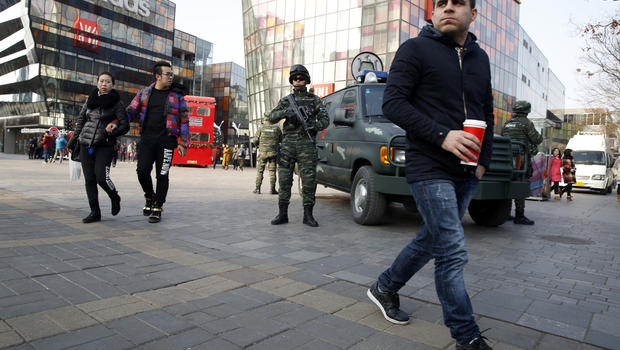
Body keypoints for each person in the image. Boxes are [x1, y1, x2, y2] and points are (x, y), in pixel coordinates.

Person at [366, 1, 494, 350]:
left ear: (473, 14)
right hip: (428, 164)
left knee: (431, 239)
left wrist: (484, 159)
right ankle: (466, 336)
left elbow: (486, 111)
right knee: (451, 250)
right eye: (441, 3)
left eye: (458, 3)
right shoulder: (415, 49)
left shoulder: (480, 59)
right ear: (433, 13)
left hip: (467, 168)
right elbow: (392, 102)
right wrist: (442, 135)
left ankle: (385, 287)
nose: (448, 8)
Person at [126, 61, 189, 223]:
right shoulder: (144, 94)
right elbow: (131, 111)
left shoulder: (177, 97)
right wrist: (116, 121)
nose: (171, 77)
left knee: (162, 174)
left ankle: (158, 207)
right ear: (158, 76)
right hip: (146, 140)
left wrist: (183, 143)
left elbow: (184, 120)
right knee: (142, 170)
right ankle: (149, 196)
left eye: (171, 74)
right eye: (167, 74)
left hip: (167, 141)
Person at [269, 64, 329, 227]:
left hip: (306, 143)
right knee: (284, 179)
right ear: (291, 80)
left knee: (309, 180)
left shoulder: (315, 100)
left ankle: (308, 215)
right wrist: (285, 113)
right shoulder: (286, 100)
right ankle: (282, 214)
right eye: (295, 78)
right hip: (288, 144)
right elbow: (271, 117)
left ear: (306, 80)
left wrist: (314, 125)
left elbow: (325, 120)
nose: (298, 80)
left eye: (301, 78)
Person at [67, 71, 129, 223]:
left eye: (107, 82)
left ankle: (115, 197)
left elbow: (125, 125)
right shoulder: (90, 100)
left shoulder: (117, 103)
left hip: (104, 145)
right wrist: (73, 140)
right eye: (101, 81)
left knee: (102, 177)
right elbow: (81, 120)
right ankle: (95, 212)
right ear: (97, 84)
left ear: (112, 85)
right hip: (85, 144)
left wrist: (112, 132)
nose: (104, 84)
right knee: (89, 179)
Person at [501, 100, 542, 225]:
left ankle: (506, 213)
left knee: (508, 183)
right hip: (521, 159)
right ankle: (520, 215)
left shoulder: (507, 123)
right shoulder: (526, 123)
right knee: (520, 183)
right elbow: (537, 139)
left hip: (507, 158)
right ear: (527, 111)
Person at [253, 112, 283, 194]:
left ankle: (258, 188)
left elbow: (255, 140)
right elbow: (281, 140)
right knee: (272, 171)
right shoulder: (277, 128)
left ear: (265, 118)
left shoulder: (261, 127)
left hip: (262, 153)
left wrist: (258, 146)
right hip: (273, 153)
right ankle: (272, 189)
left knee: (260, 171)